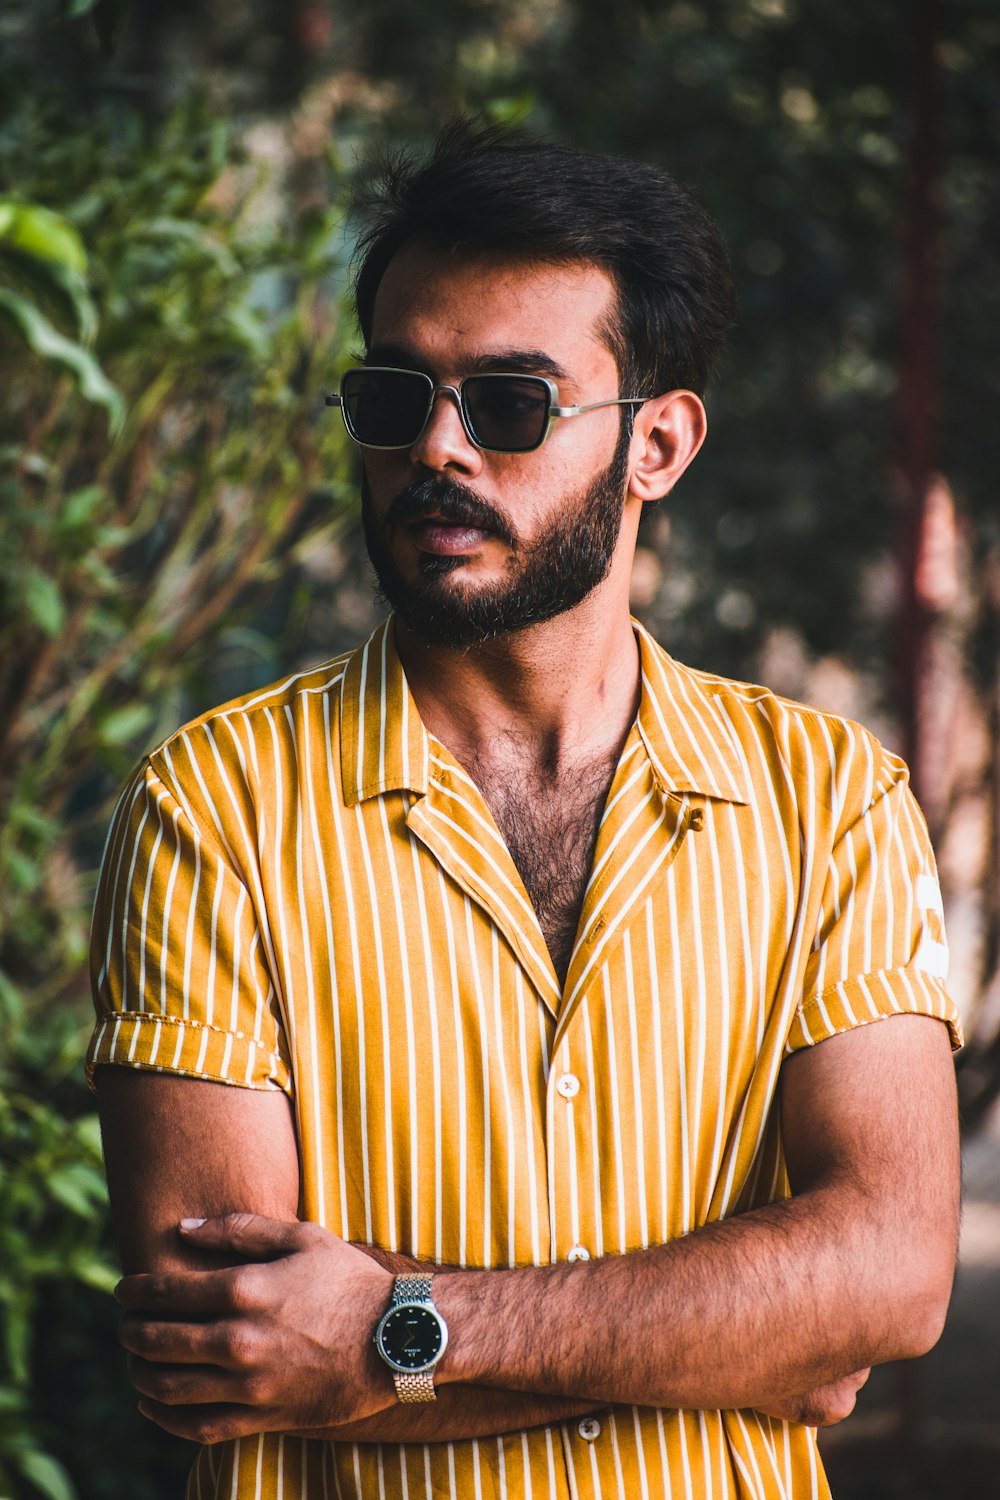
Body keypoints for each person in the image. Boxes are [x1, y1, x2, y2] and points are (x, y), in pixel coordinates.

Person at [88, 120, 962, 1500]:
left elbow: (892, 1280)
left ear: (657, 445)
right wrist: (746, 1339)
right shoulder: (217, 803)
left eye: (509, 403)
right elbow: (233, 1355)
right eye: (393, 398)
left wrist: (393, 1336)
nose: (437, 449)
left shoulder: (830, 804)